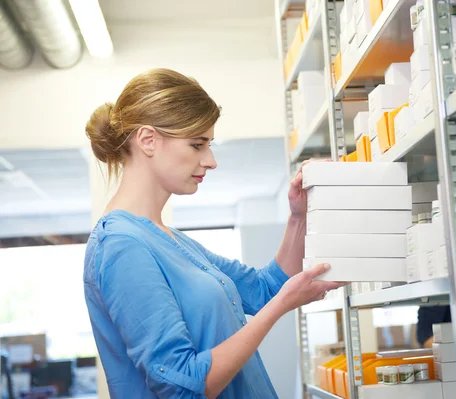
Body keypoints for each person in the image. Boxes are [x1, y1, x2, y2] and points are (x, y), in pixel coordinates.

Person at [83, 68, 342, 399]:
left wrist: (298, 217)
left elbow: (266, 289)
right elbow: (181, 385)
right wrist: (279, 309)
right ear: (148, 140)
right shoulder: (121, 246)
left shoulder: (171, 240)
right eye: (197, 144)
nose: (211, 160)